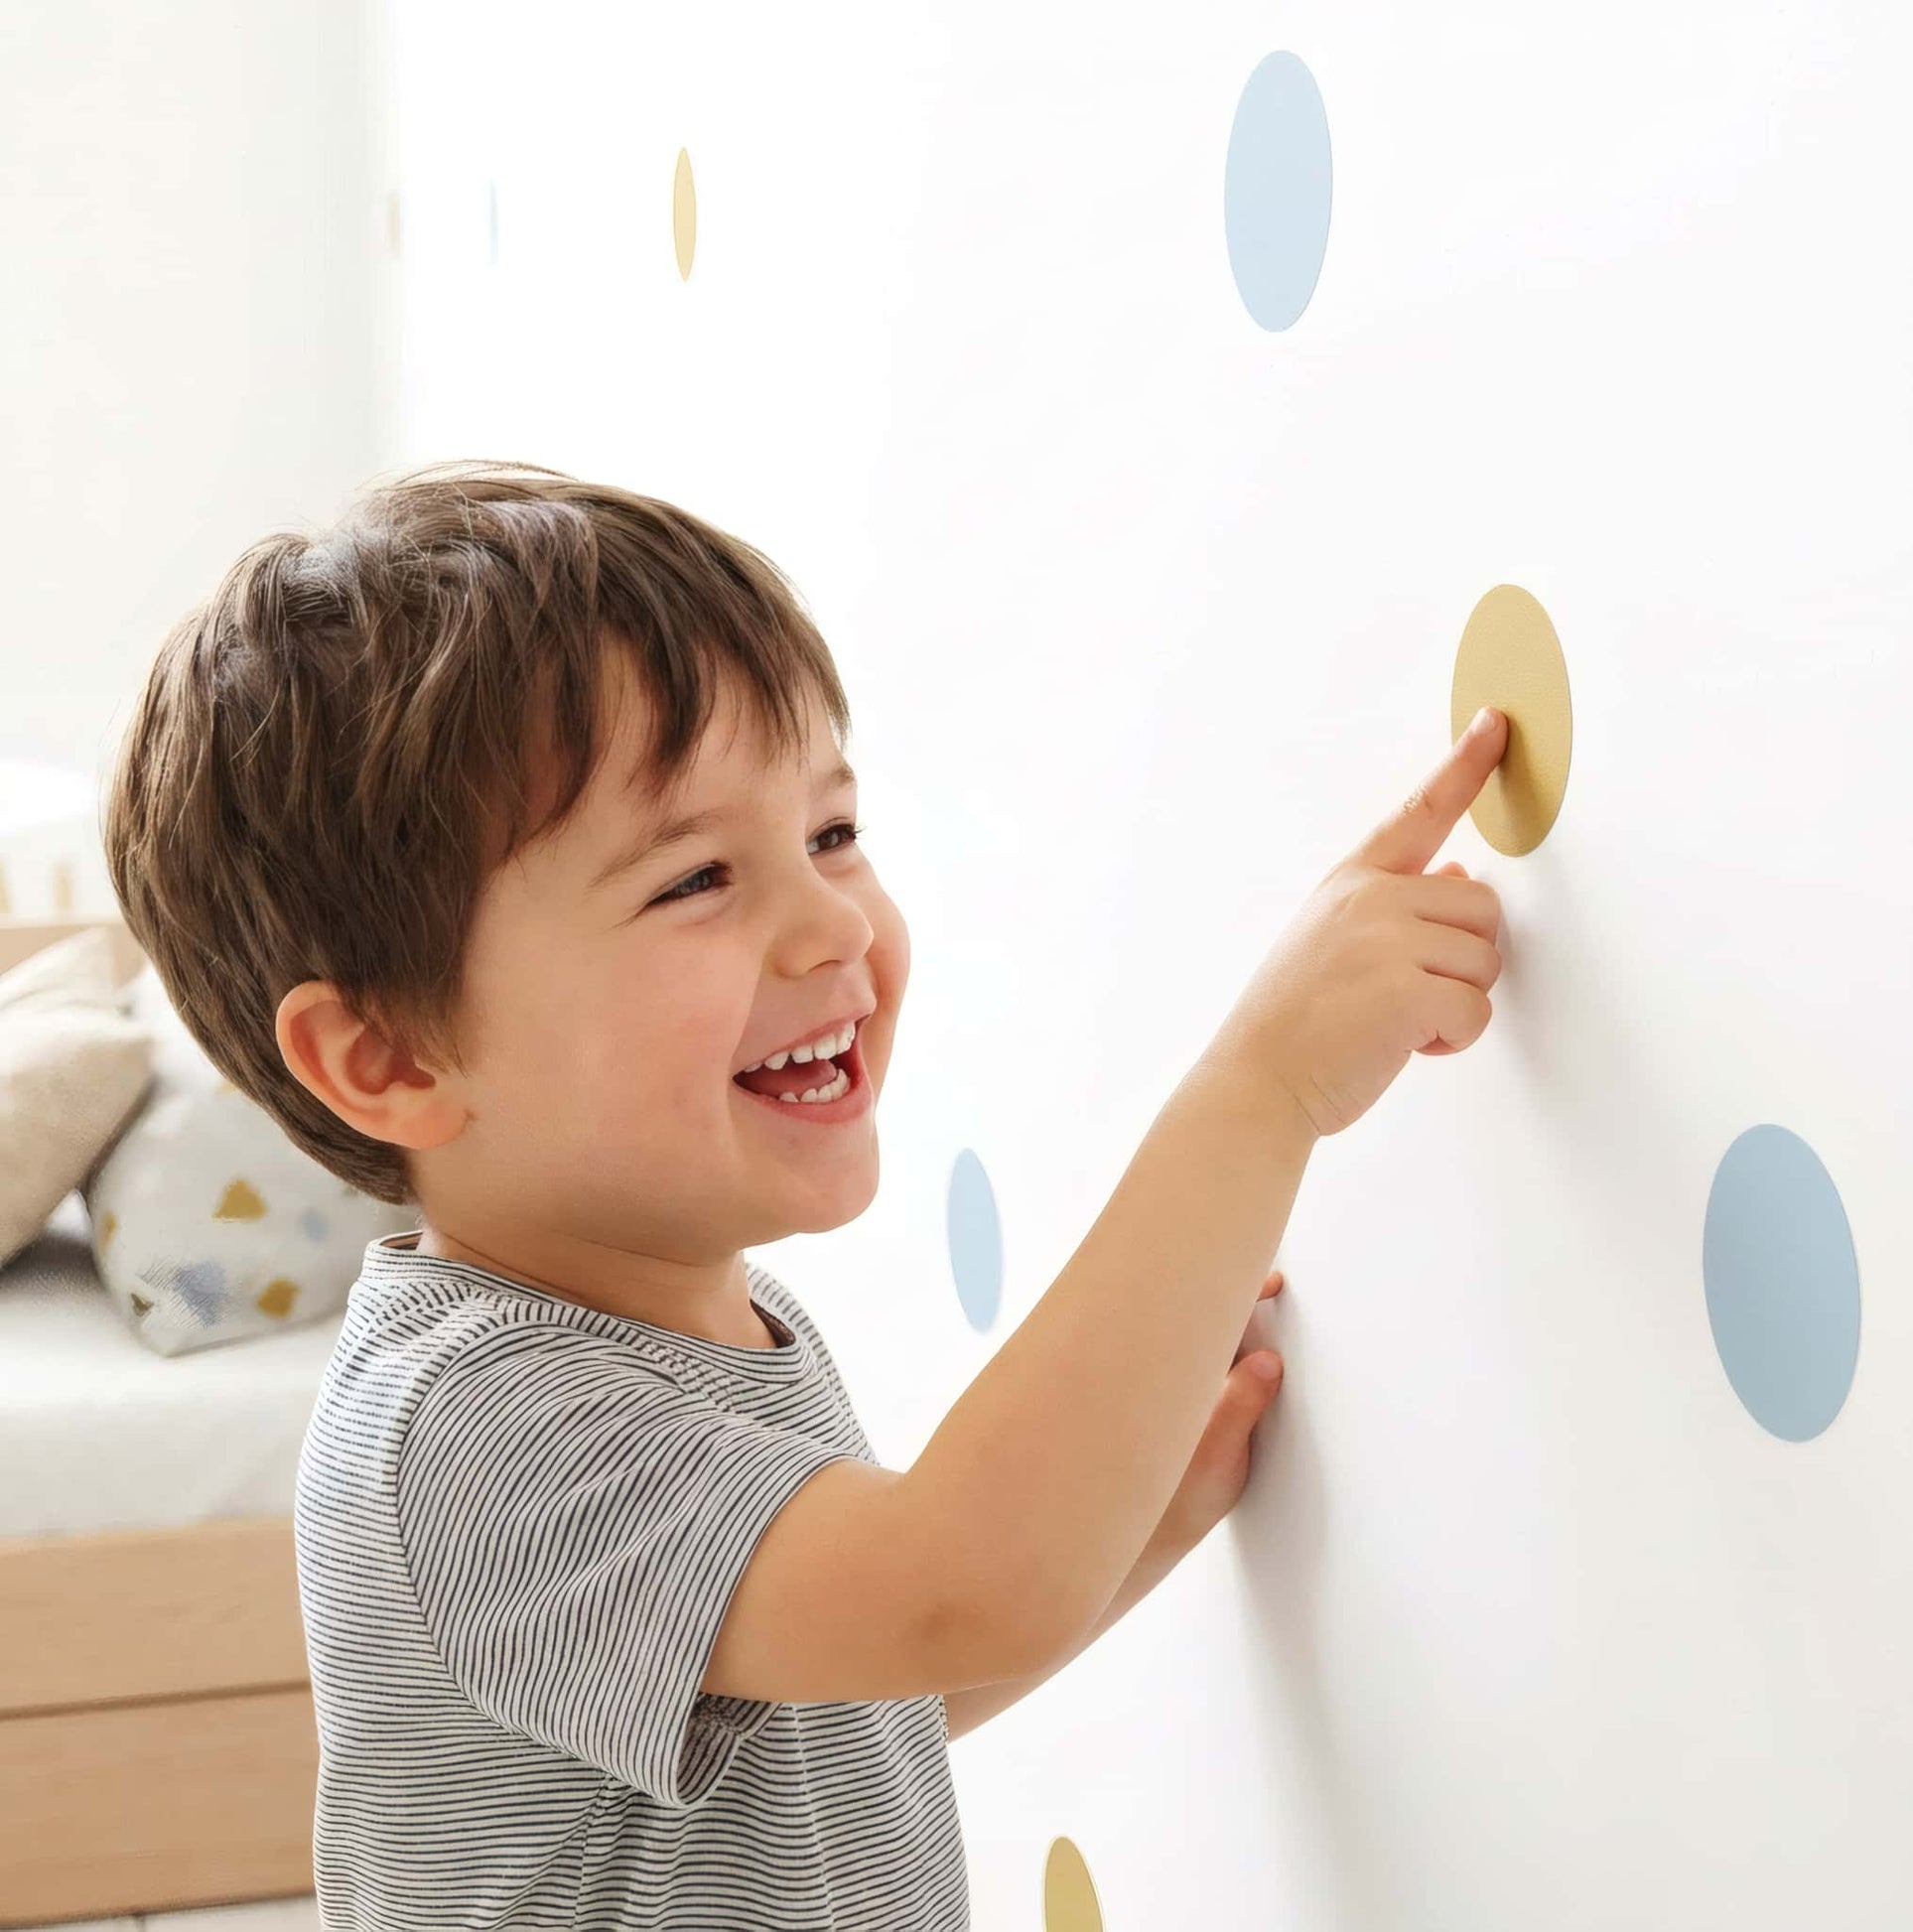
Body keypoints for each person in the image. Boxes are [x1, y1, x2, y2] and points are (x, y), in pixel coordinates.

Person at [100, 459, 1508, 1929]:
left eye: (831, 834)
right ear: (388, 1056)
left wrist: (1136, 1513)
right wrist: (1261, 1088)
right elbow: (952, 1582)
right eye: (696, 878)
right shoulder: (473, 1424)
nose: (831, 921)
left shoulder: (717, 1323)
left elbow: (851, 1698)